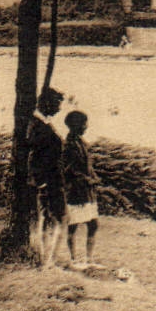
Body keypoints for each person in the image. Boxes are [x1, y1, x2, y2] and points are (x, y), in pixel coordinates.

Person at [27, 87, 68, 267]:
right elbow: (34, 155)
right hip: (47, 180)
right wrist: (40, 180)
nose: (59, 109)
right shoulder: (37, 125)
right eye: (57, 104)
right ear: (47, 104)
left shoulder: (42, 123)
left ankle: (48, 259)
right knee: (52, 219)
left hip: (53, 179)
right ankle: (46, 260)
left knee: (55, 218)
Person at [61, 109, 100, 268]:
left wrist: (94, 177)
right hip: (76, 190)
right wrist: (87, 179)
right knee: (74, 224)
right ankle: (74, 259)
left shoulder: (82, 143)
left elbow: (87, 166)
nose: (87, 126)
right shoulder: (69, 145)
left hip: (87, 190)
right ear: (77, 125)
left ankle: (89, 259)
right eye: (84, 123)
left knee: (93, 224)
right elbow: (69, 169)